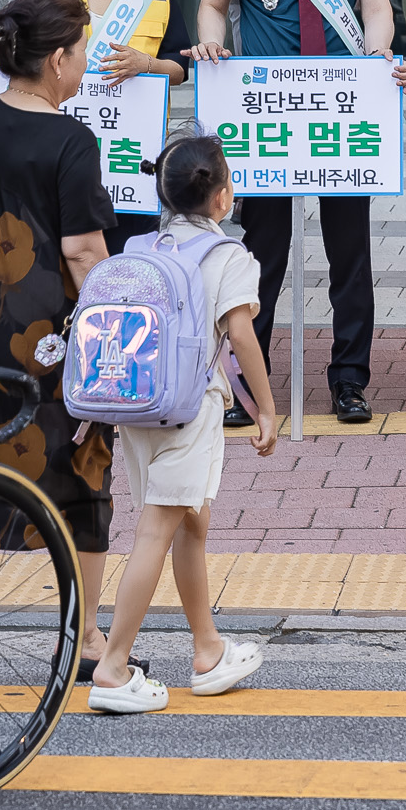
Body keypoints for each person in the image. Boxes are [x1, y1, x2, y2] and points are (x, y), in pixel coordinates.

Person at [192, 0, 406, 427]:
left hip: (342, 110)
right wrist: (211, 42)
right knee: (262, 251)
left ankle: (349, 380)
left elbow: (376, 7)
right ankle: (246, 379)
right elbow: (213, 3)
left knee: (350, 251)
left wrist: (378, 54)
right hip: (269, 117)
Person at [0, 0, 121, 674]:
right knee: (82, 477)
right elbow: (82, 251)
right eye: (82, 54)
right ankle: (85, 637)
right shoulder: (71, 138)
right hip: (48, 340)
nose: (84, 66)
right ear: (57, 61)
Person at [87, 132, 277, 714]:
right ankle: (114, 668)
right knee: (157, 531)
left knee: (192, 522)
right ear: (222, 199)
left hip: (138, 409)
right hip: (190, 411)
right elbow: (241, 335)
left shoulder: (140, 247)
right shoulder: (229, 258)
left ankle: (208, 649)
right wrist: (265, 409)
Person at [29, 0, 192, 251]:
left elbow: (181, 68)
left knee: (127, 263)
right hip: (57, 158)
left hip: (130, 164)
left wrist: (146, 65)